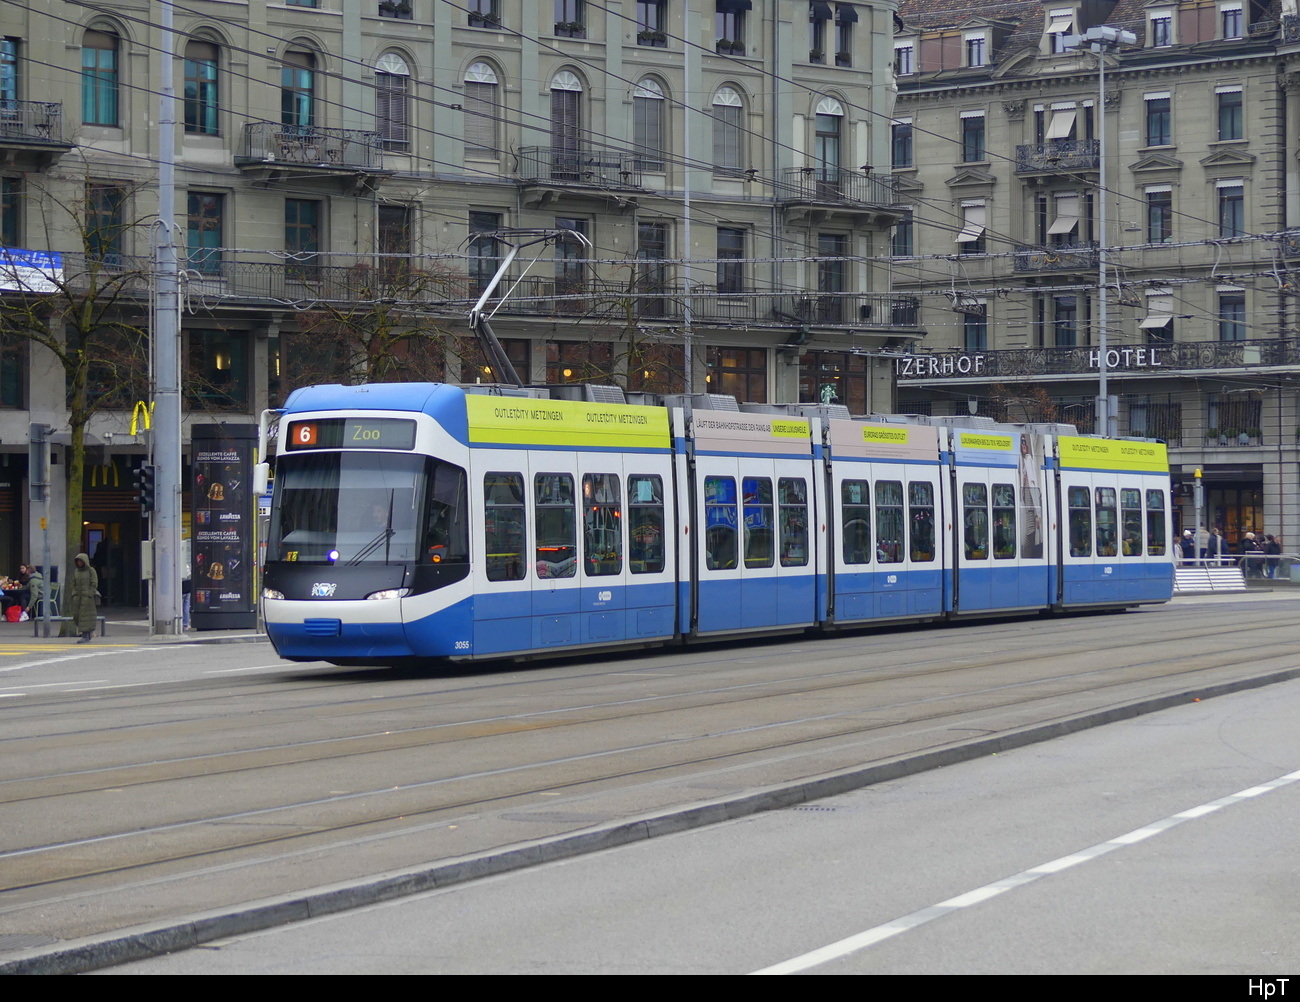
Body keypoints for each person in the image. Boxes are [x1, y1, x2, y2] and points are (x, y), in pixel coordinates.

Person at [66, 552, 99, 643]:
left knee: (85, 616)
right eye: (78, 561)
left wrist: (90, 594)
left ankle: (85, 634)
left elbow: (94, 583)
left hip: (87, 598)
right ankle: (87, 633)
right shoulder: (76, 571)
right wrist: (74, 593)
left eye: (80, 561)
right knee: (76, 615)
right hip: (77, 597)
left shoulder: (91, 571)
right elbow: (74, 583)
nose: (79, 563)